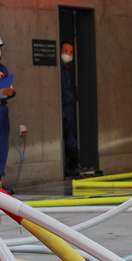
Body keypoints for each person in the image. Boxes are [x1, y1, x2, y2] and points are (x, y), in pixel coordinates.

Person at [0, 31, 15, 186]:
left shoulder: (3, 68)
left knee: (2, 144)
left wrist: (11, 92)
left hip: (1, 108)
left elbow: (8, 89)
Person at [61, 42, 81, 176]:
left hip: (68, 107)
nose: (69, 54)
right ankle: (70, 166)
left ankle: (70, 166)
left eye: (71, 52)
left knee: (69, 137)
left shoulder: (66, 69)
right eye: (66, 51)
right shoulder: (60, 71)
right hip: (63, 108)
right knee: (68, 139)